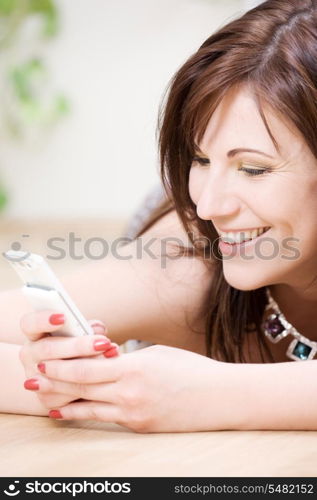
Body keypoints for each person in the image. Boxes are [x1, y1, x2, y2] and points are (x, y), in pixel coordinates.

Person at [1, 0, 317, 432]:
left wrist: (217, 396)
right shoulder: (189, 261)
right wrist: (66, 382)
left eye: (254, 168)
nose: (210, 206)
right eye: (200, 159)